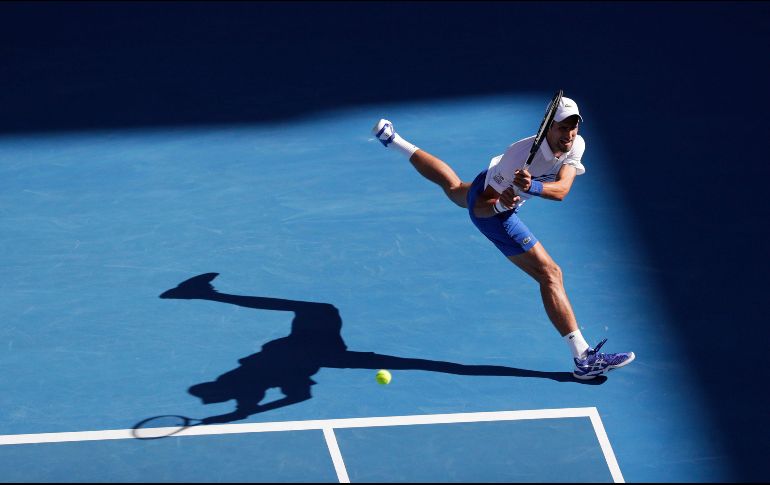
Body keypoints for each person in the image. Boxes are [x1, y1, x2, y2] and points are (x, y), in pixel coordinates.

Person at [371, 96, 635, 380]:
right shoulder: (517, 156)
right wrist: (500, 205)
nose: (569, 134)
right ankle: (583, 359)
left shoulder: (575, 144)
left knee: (454, 186)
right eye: (562, 127)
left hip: (497, 189)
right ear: (548, 128)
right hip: (493, 213)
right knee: (550, 274)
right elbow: (479, 209)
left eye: (574, 126)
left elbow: (561, 190)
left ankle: (394, 140)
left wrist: (529, 187)